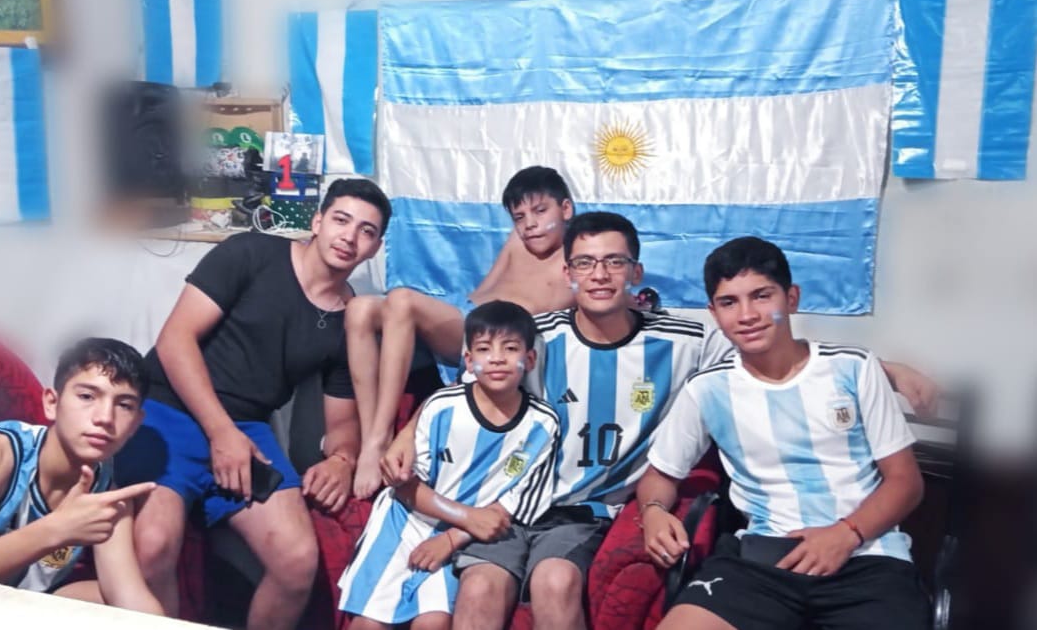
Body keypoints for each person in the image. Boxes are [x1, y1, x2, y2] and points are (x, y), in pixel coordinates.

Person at [383, 213, 938, 630]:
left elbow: (780, 353)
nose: (600, 275)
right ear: (568, 273)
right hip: (511, 504)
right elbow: (466, 386)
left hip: (589, 514)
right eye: (585, 263)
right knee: (480, 589)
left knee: (554, 580)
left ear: (636, 272)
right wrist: (407, 434)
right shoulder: (536, 338)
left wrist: (885, 369)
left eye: (614, 262)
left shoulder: (687, 343)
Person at [114, 178, 390, 630]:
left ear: (375, 247)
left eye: (366, 231)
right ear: (317, 222)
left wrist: (342, 460)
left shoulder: (351, 318)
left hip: (247, 428)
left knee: (297, 560)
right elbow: (175, 340)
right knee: (152, 543)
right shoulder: (251, 252)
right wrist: (221, 433)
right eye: (341, 220)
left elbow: (342, 419)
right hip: (168, 409)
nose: (349, 236)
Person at [639, 236, 929, 630]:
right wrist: (654, 512)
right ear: (714, 312)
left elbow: (906, 482)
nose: (747, 315)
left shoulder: (855, 368)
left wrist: (846, 534)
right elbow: (659, 476)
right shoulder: (706, 389)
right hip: (761, 562)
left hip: (866, 556)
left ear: (791, 298)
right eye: (729, 302)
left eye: (762, 296)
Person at [347, 165, 575, 500]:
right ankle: (371, 437)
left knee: (403, 300)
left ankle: (380, 437)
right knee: (360, 309)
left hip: (488, 333)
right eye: (520, 217)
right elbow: (485, 288)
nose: (530, 223)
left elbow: (611, 293)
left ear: (566, 209)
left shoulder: (578, 257)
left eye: (541, 211)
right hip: (466, 313)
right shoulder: (520, 239)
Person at [337, 300, 560, 630]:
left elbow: (512, 506)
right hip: (406, 521)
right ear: (468, 361)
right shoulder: (442, 407)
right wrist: (466, 517)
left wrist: (453, 537)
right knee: (369, 624)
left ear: (529, 360)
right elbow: (406, 487)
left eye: (510, 348)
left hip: (465, 537)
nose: (497, 358)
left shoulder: (543, 425)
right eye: (484, 349)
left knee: (434, 622)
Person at [0, 337, 161, 615]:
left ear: (135, 424)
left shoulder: (106, 493)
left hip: (1, 607)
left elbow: (128, 595)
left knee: (117, 606)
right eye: (87, 396)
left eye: (124, 405)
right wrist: (57, 529)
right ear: (52, 403)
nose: (104, 417)